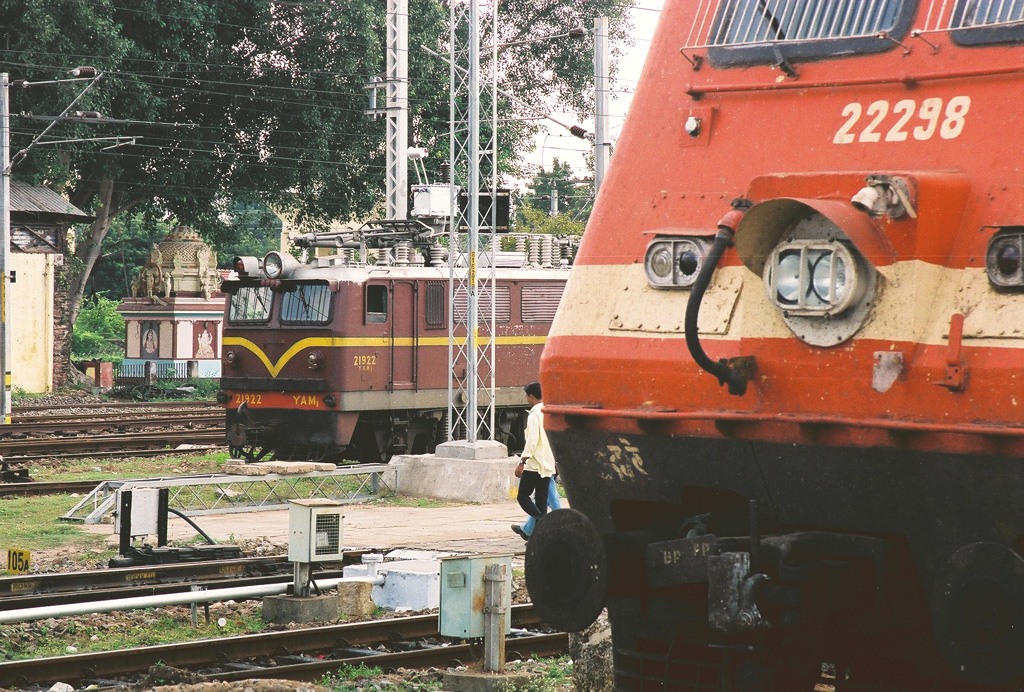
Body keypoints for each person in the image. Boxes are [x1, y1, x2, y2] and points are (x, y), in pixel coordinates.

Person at [512, 381, 556, 540]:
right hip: (548, 463)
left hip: (535, 464)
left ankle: (543, 521)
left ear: (531, 396)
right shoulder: (548, 412)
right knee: (541, 501)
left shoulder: (534, 415)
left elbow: (531, 442)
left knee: (523, 497)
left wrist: (522, 462)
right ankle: (540, 536)